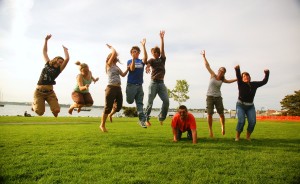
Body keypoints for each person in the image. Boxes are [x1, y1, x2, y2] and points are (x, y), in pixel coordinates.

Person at [201, 50, 237, 138]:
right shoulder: (213, 75)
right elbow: (207, 66)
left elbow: (229, 81)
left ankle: (222, 126)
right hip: (209, 96)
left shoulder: (222, 80)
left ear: (224, 73)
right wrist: (204, 57)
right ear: (218, 71)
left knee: (221, 114)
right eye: (220, 70)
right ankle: (210, 130)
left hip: (218, 97)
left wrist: (237, 78)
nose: (221, 72)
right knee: (209, 114)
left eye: (223, 71)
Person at [32, 34, 69, 117]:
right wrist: (46, 40)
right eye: (60, 61)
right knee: (40, 113)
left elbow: (67, 59)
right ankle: (34, 105)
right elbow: (44, 52)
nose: (61, 62)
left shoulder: (59, 70)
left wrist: (65, 50)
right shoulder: (48, 63)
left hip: (50, 93)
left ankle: (53, 111)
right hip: (39, 92)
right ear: (56, 60)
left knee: (57, 110)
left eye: (62, 62)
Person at [234, 65, 270, 141]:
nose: (246, 77)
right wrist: (237, 69)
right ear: (242, 78)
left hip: (250, 106)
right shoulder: (240, 83)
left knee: (252, 122)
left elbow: (264, 81)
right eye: (244, 76)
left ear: (249, 78)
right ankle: (237, 137)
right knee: (241, 121)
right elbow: (238, 75)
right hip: (240, 105)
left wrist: (267, 73)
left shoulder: (254, 84)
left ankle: (248, 137)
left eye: (247, 76)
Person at [100, 44, 129, 132]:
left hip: (118, 88)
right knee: (107, 107)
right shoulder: (108, 65)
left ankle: (110, 114)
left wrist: (128, 68)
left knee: (119, 107)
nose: (115, 57)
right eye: (113, 57)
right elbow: (114, 52)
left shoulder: (116, 67)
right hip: (111, 87)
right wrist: (111, 48)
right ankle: (102, 125)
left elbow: (123, 75)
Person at [145, 30, 169, 126]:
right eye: (153, 52)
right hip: (154, 83)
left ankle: (161, 117)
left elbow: (163, 50)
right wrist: (147, 67)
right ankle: (146, 119)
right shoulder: (152, 60)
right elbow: (148, 63)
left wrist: (162, 39)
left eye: (156, 52)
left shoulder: (162, 60)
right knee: (150, 102)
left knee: (166, 101)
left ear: (158, 53)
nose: (154, 54)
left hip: (161, 83)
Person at [126, 39, 148, 128]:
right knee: (130, 101)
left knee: (140, 104)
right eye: (132, 52)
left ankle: (142, 121)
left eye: (135, 52)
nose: (134, 53)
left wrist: (143, 45)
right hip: (131, 85)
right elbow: (132, 69)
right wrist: (133, 58)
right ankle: (128, 96)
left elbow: (145, 58)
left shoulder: (141, 61)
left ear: (139, 53)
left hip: (139, 86)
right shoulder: (129, 61)